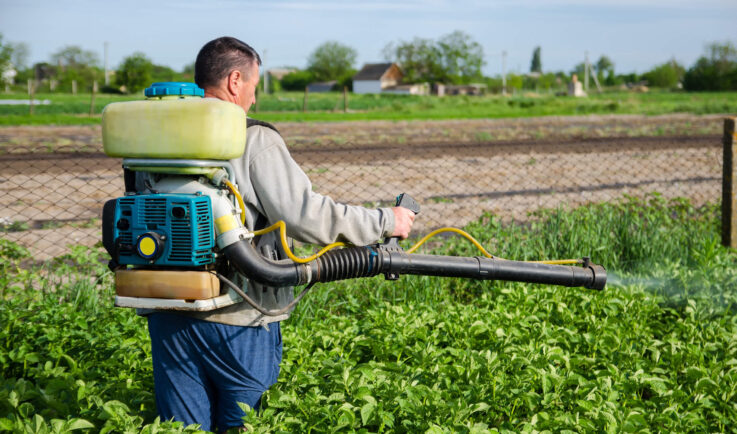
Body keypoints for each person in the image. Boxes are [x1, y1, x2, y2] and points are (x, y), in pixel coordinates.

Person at [145, 36, 415, 432]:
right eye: (254, 86)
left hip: (167, 314)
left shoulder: (155, 136)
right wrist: (386, 221)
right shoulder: (252, 137)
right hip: (237, 317)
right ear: (235, 81)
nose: (253, 100)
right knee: (246, 426)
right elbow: (304, 216)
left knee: (179, 429)